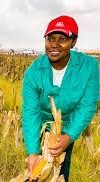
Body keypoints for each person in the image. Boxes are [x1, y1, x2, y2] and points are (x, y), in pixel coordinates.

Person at [21, 15, 99, 181]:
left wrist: (68, 137)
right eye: (50, 38)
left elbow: (87, 106)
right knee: (36, 170)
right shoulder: (33, 72)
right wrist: (33, 152)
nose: (54, 44)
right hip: (41, 127)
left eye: (62, 38)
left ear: (73, 41)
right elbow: (30, 112)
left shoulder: (89, 67)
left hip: (69, 127)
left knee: (61, 169)